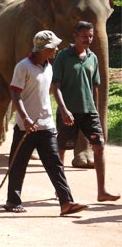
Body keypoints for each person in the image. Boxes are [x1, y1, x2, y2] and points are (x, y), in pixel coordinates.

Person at [3, 30, 88, 216]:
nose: (57, 49)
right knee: (18, 163)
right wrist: (24, 118)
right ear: (44, 48)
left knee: (55, 164)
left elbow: (48, 92)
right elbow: (15, 94)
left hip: (46, 125)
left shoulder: (49, 66)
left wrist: (63, 110)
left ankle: (66, 202)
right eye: (54, 46)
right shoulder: (23, 66)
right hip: (25, 126)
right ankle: (13, 200)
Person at [51, 21, 120, 202]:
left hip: (89, 112)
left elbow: (95, 85)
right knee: (62, 150)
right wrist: (64, 109)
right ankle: (61, 190)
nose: (88, 40)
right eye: (84, 36)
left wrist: (95, 110)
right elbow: (56, 85)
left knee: (99, 147)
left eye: (90, 36)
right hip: (69, 112)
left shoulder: (93, 58)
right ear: (75, 36)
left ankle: (102, 191)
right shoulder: (63, 57)